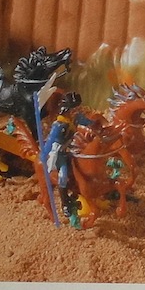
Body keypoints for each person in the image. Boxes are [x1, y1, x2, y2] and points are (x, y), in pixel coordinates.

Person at [40, 92, 99, 229]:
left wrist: (96, 125)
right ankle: (65, 203)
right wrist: (44, 153)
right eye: (73, 108)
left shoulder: (75, 119)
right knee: (63, 175)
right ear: (66, 109)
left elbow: (88, 123)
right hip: (59, 153)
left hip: (71, 150)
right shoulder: (58, 125)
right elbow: (50, 140)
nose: (75, 110)